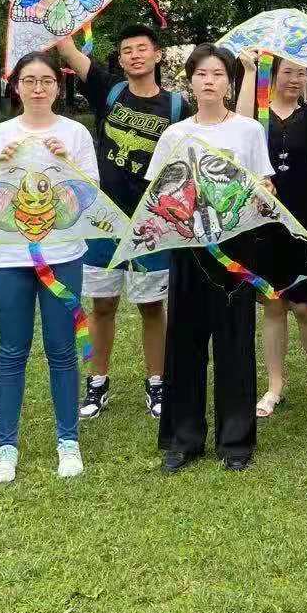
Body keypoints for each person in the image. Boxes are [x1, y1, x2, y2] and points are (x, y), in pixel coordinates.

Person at [146, 44, 274, 473]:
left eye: (218, 74)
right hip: (188, 247)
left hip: (236, 250)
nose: (209, 81)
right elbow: (156, 194)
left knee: (235, 342)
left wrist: (263, 192)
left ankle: (236, 441)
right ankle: (184, 439)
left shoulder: (248, 131)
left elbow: (264, 186)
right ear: (190, 81)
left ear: (229, 82)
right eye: (201, 74)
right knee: (185, 342)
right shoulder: (175, 135)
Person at [0, 51, 99, 483]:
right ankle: (5, 447)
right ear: (16, 87)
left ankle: (68, 440)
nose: (37, 88)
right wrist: (2, 166)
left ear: (57, 88)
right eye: (29, 81)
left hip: (63, 255)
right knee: (12, 352)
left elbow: (91, 195)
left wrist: (67, 163)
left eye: (46, 81)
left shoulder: (76, 133)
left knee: (62, 350)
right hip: (9, 259)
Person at [57, 26, 187, 424]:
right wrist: (58, 5)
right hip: (104, 217)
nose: (134, 55)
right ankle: (98, 382)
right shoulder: (109, 90)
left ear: (158, 55)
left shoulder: (177, 106)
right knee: (103, 304)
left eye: (141, 48)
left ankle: (157, 382)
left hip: (152, 220)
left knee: (152, 306)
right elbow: (68, 50)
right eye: (126, 49)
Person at [234, 47, 307, 416]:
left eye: (302, 73)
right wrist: (250, 71)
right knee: (273, 305)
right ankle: (275, 386)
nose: (295, 79)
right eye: (288, 72)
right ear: (274, 74)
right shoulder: (257, 119)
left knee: (305, 306)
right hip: (264, 224)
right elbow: (241, 119)